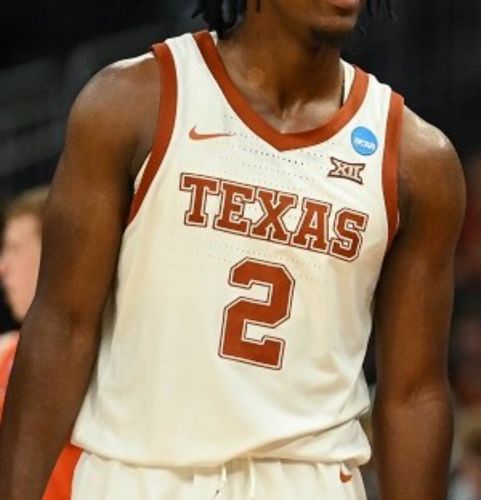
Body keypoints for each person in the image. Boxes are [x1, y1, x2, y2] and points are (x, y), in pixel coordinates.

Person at [0, 1, 466, 499]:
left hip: (307, 481)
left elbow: (413, 395)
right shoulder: (132, 102)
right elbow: (62, 326)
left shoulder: (417, 160)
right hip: (138, 473)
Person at [0, 187, 81, 500]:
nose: (3, 268)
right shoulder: (9, 353)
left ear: (53, 251)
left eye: (14, 248)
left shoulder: (93, 352)